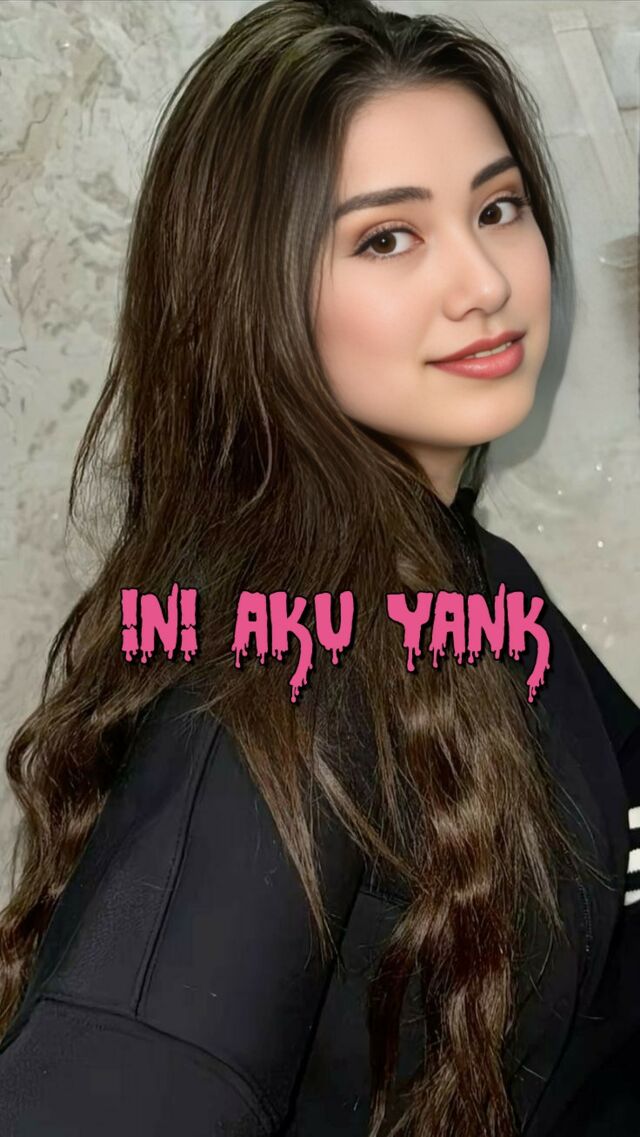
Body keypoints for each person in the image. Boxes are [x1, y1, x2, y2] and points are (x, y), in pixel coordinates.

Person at [0, 1, 638, 1134]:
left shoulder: (476, 582)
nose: (482, 282)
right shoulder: (274, 678)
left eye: (497, 208)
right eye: (387, 238)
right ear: (253, 295)